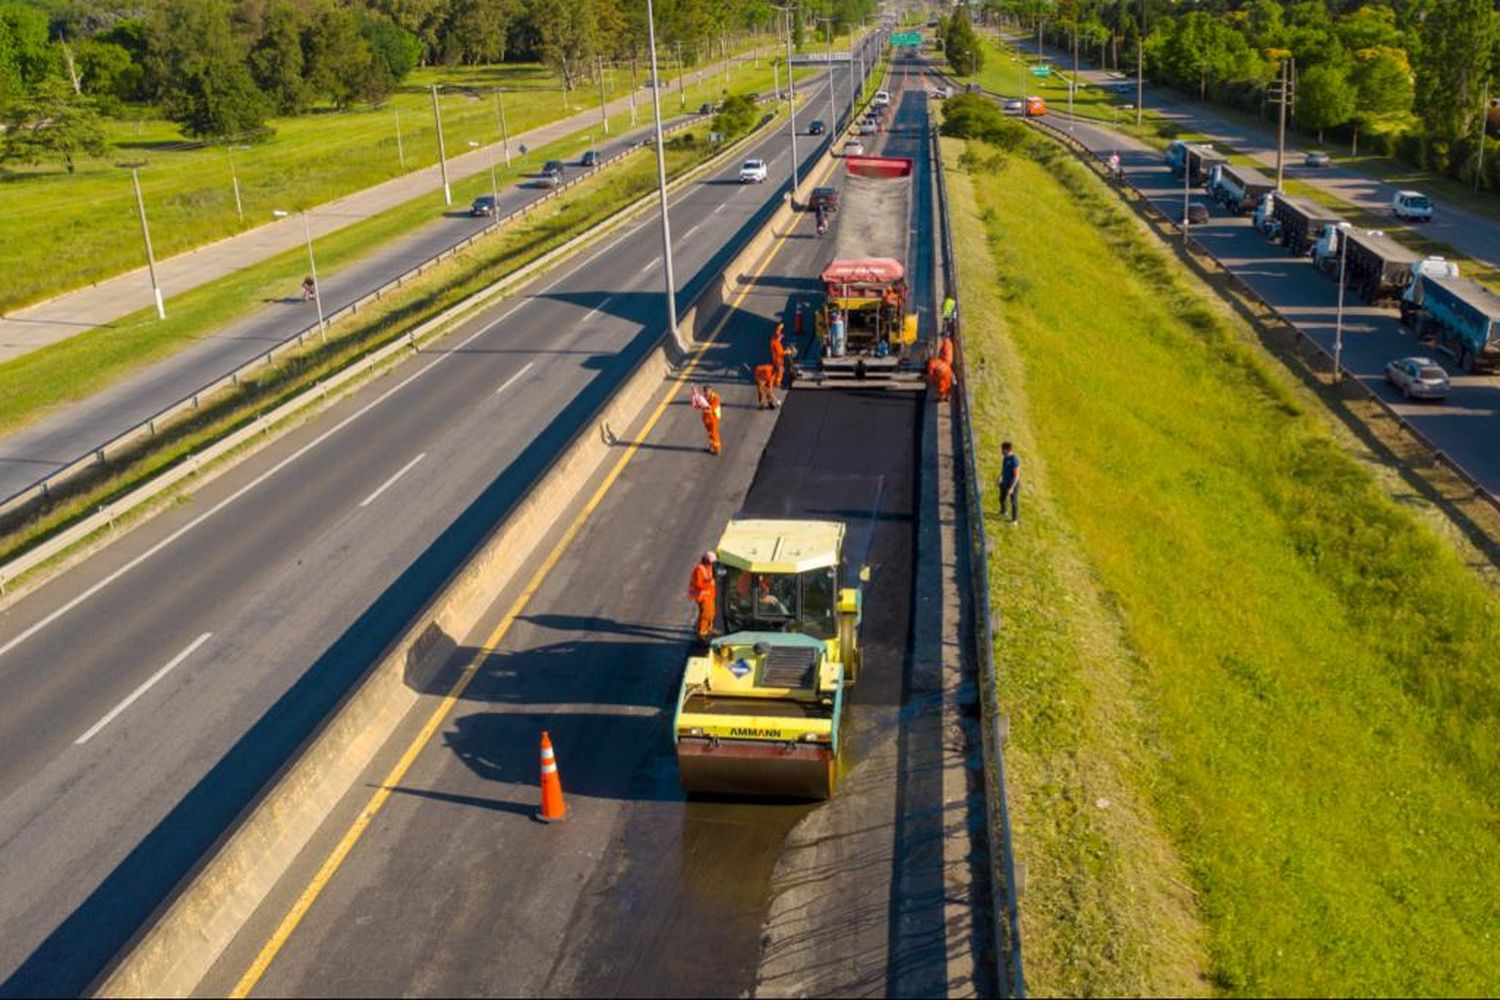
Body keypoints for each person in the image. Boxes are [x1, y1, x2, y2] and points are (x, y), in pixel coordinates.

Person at [687, 551, 717, 644]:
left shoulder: (710, 567)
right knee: (705, 614)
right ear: (706, 560)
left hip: (709, 595)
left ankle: (708, 630)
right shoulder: (699, 569)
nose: (711, 563)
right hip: (702, 596)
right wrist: (710, 581)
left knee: (711, 612)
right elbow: (699, 584)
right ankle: (702, 634)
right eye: (710, 562)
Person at [998, 441, 1021, 525]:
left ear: (1007, 450)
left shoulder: (1014, 460)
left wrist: (1012, 487)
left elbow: (1016, 475)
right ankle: (1004, 512)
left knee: (1013, 502)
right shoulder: (1005, 458)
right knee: (1002, 498)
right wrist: (1000, 477)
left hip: (1012, 484)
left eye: (1002, 450)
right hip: (1005, 482)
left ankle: (1015, 520)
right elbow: (1003, 469)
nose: (1001, 451)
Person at [701, 384, 722, 454]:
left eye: (707, 391)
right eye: (705, 392)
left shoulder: (716, 397)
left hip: (714, 418)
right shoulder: (704, 397)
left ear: (711, 390)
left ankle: (717, 449)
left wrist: (706, 407)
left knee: (714, 433)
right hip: (706, 418)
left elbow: (713, 407)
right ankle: (712, 446)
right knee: (709, 433)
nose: (706, 393)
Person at [769, 325, 788, 389]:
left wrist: (780, 327)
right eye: (780, 337)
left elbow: (777, 332)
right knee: (780, 372)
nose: (781, 338)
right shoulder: (777, 344)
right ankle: (778, 383)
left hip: (775, 359)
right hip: (778, 360)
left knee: (776, 370)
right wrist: (788, 351)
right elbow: (781, 353)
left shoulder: (773, 339)